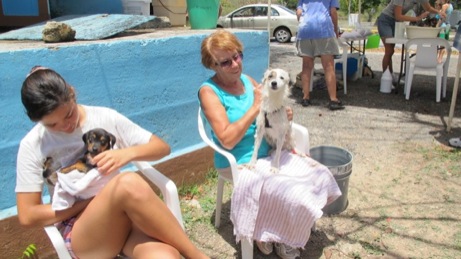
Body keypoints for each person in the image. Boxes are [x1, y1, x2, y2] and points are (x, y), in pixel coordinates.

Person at [16, 66, 209, 259]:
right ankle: (197, 256)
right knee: (127, 182)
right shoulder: (33, 144)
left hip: (125, 221)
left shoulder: (104, 117)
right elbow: (27, 215)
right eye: (52, 125)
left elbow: (161, 148)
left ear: (72, 94)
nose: (66, 126)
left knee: (165, 257)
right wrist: (85, 205)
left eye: (68, 114)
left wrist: (127, 154)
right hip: (80, 231)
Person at [198, 29, 341, 259]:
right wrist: (256, 106)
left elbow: (270, 110)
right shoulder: (209, 92)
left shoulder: (246, 80)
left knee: (318, 174)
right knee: (290, 190)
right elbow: (226, 139)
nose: (235, 65)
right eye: (225, 62)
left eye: (238, 56)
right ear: (212, 65)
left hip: (270, 150)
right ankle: (271, 234)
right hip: (239, 161)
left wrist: (282, 114)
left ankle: (279, 232)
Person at [377, 0, 445, 81]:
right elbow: (398, 16)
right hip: (385, 20)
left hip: (397, 22)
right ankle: (385, 78)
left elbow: (428, 8)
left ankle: (390, 75)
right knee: (389, 50)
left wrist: (439, 12)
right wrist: (417, 18)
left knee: (391, 50)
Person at [296, 0, 344, 110]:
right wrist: (335, 29)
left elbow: (299, 13)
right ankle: (333, 99)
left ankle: (305, 97)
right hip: (323, 29)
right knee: (328, 66)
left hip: (305, 30)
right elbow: (333, 12)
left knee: (306, 66)